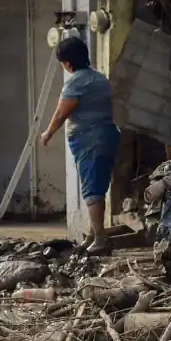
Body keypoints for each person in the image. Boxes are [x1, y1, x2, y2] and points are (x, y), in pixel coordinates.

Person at [40, 35, 119, 255]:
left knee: (92, 188)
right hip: (106, 136)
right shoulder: (100, 78)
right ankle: (94, 234)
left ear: (68, 62)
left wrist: (47, 133)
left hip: (89, 139)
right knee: (96, 184)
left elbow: (61, 114)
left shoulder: (76, 82)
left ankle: (101, 239)